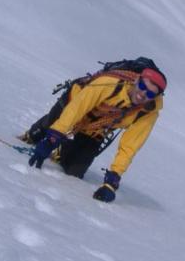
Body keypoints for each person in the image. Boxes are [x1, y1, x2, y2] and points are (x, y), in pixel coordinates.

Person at [22, 62, 167, 202]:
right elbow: (76, 109)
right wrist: (52, 138)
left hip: (97, 127)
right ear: (136, 80)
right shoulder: (110, 83)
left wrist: (113, 180)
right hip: (74, 101)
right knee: (49, 127)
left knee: (75, 171)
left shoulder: (148, 113)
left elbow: (130, 146)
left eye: (150, 93)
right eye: (142, 86)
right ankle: (39, 130)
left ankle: (62, 150)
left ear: (155, 97)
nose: (143, 94)